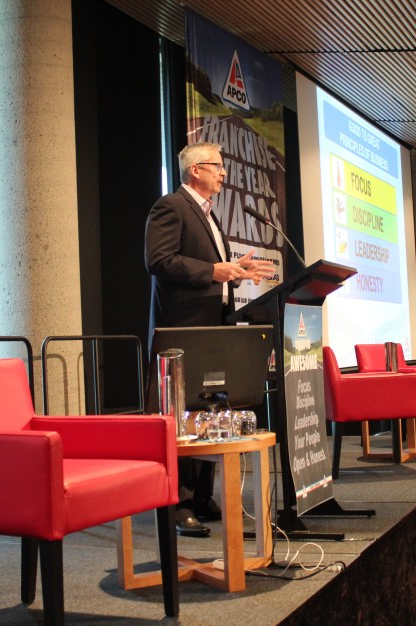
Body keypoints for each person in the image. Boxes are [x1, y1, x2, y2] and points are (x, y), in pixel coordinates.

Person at [145, 142, 275, 537]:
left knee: (209, 406)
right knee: (183, 412)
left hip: (214, 324)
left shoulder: (209, 215)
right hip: (184, 326)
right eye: (217, 166)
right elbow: (159, 260)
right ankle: (179, 503)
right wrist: (213, 271)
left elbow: (211, 267)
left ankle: (202, 496)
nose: (223, 173)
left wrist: (236, 270)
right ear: (195, 170)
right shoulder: (171, 206)